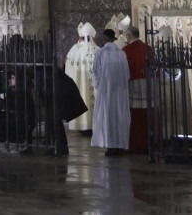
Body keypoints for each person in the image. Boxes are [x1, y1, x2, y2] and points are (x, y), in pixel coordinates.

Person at [91, 28, 131, 156]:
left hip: (106, 91)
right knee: (119, 117)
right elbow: (127, 74)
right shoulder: (121, 54)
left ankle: (110, 145)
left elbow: (95, 72)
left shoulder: (101, 53)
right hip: (120, 92)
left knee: (107, 118)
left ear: (105, 38)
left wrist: (99, 87)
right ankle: (119, 145)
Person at [123, 27, 156, 154]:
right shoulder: (149, 48)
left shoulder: (126, 50)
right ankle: (150, 142)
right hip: (150, 84)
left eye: (127, 36)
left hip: (134, 85)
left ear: (129, 36)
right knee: (149, 112)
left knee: (136, 114)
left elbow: (124, 70)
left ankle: (137, 143)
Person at [63, 23, 99, 134]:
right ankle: (97, 124)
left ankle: (83, 124)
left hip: (80, 87)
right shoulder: (98, 50)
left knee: (83, 96)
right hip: (96, 86)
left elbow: (68, 72)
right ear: (92, 36)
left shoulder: (75, 50)